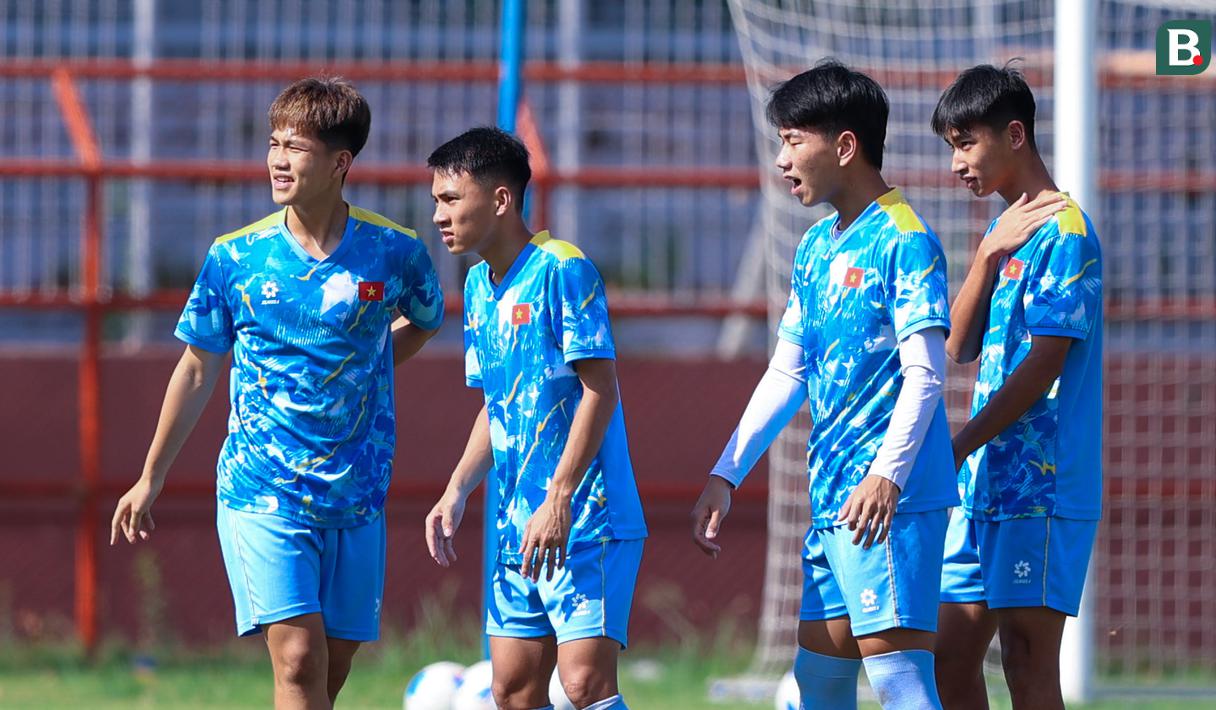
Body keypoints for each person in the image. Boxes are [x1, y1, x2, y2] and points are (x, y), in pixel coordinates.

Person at [110, 77, 445, 709]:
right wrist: (150, 476)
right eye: (273, 143)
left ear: (340, 163)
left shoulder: (394, 252)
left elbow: (428, 319)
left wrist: (365, 367)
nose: (278, 159)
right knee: (297, 661)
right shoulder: (236, 256)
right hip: (262, 488)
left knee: (330, 669)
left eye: (297, 146)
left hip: (358, 491)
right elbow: (196, 368)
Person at [690, 59, 957, 710]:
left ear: (843, 146)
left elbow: (926, 373)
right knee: (819, 681)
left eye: (792, 140)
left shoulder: (904, 240)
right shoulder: (814, 247)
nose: (781, 160)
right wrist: (726, 472)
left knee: (896, 679)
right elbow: (788, 369)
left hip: (887, 501)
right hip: (833, 496)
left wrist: (886, 475)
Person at [423, 126, 646, 710]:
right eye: (435, 202)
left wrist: (560, 497)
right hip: (517, 524)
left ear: (500, 200)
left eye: (450, 200)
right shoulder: (475, 285)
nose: (439, 216)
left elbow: (601, 389)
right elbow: (498, 406)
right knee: (514, 691)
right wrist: (457, 488)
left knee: (584, 686)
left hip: (584, 516)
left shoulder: (563, 269)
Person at [930, 63, 1103, 710]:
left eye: (965, 143)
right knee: (947, 659)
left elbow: (1042, 366)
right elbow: (957, 347)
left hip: (1041, 488)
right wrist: (984, 256)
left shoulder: (1065, 233)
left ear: (1013, 135)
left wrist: (958, 444)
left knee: (1027, 666)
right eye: (951, 147)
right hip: (984, 489)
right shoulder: (1007, 235)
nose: (956, 165)